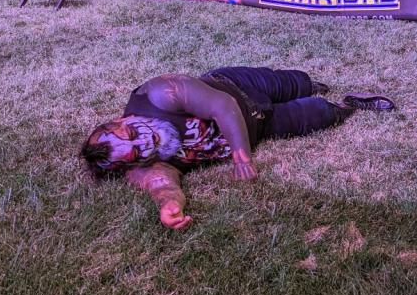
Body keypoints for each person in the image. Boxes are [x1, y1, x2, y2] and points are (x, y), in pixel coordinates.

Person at [79, 66, 395, 229]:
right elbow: (162, 185)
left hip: (237, 87)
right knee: (320, 113)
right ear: (132, 165)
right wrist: (169, 206)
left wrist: (241, 157)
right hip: (260, 126)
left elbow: (222, 105)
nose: (143, 141)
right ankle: (350, 104)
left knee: (297, 82)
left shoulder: (160, 93)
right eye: (136, 151)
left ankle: (308, 85)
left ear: (119, 122)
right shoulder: (143, 167)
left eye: (131, 133)